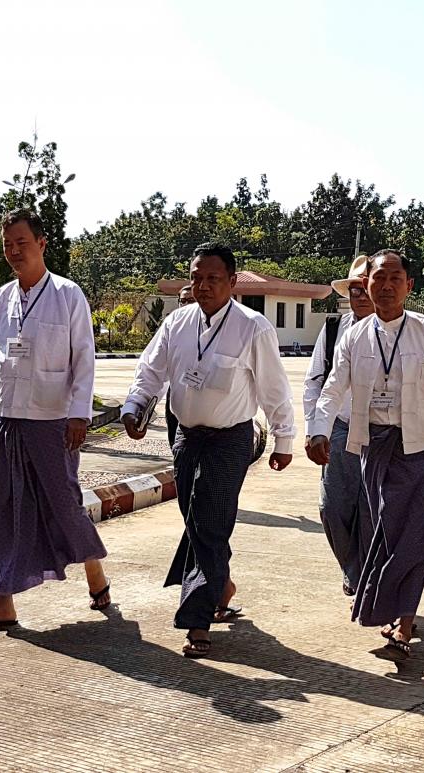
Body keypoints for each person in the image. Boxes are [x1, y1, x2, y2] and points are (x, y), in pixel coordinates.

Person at [121, 242, 295, 659]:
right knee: (196, 518)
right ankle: (223, 584)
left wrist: (284, 438)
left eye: (212, 279)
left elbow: (274, 389)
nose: (202, 286)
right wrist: (133, 407)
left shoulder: (253, 327)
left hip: (229, 440)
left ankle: (197, 620)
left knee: (210, 521)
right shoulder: (177, 324)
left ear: (232, 282)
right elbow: (151, 370)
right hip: (186, 436)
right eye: (196, 278)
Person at [309, 249, 424, 661]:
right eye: (377, 279)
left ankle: (404, 619)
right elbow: (333, 388)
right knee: (382, 530)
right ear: (365, 286)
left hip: (422, 447)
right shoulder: (353, 336)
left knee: (414, 535)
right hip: (373, 446)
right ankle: (391, 607)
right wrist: (317, 430)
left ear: (408, 285)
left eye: (394, 279)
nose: (385, 286)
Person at [0, 208, 110, 633]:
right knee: (2, 510)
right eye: (7, 245)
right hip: (7, 420)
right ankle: (2, 603)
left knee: (63, 505)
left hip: (52, 420)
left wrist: (79, 413)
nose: (13, 252)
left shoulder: (68, 295)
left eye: (21, 243)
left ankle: (95, 572)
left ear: (42, 244)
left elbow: (84, 357)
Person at [303, 254, 375, 597]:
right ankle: (354, 569)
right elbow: (314, 381)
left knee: (374, 512)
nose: (359, 295)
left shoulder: (399, 330)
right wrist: (313, 429)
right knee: (332, 507)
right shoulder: (334, 329)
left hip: (382, 434)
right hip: (341, 428)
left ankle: (369, 581)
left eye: (365, 287)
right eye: (354, 289)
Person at [164, 285, 196, 447]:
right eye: (182, 301)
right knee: (176, 445)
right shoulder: (172, 325)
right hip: (177, 391)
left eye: (191, 300)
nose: (186, 305)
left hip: (204, 395)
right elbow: (154, 367)